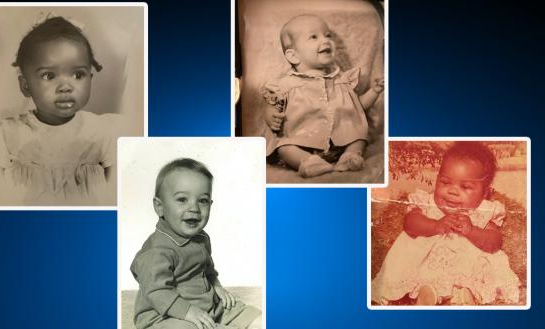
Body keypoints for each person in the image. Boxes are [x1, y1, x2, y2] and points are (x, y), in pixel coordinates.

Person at [372, 142, 521, 305]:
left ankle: (463, 295)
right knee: (418, 275)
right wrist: (434, 226)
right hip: (426, 261)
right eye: (445, 182)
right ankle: (426, 294)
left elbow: (494, 243)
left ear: (484, 193)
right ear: (437, 180)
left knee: (480, 274)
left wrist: (472, 231)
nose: (452, 191)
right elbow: (410, 224)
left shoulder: (484, 211)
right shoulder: (427, 202)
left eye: (465, 187)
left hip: (465, 266)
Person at [0, 16, 117, 205]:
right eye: (49, 75)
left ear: (90, 78)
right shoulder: (6, 133)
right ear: (25, 85)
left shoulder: (101, 132)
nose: (66, 87)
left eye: (78, 74)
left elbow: (115, 190)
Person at [131, 158, 261, 329]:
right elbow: (156, 291)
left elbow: (207, 269)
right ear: (159, 206)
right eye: (182, 199)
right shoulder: (157, 250)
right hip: (165, 317)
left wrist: (217, 287)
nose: (194, 208)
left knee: (255, 317)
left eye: (203, 201)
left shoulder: (201, 238)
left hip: (208, 307)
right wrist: (188, 312)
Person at [263, 14, 384, 177]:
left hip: (340, 142)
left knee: (360, 135)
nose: (326, 40)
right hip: (302, 140)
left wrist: (374, 91)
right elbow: (271, 106)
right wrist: (271, 117)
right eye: (313, 37)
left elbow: (358, 110)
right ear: (293, 56)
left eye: (328, 35)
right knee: (283, 147)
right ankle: (307, 162)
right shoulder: (285, 84)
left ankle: (350, 156)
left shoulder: (341, 80)